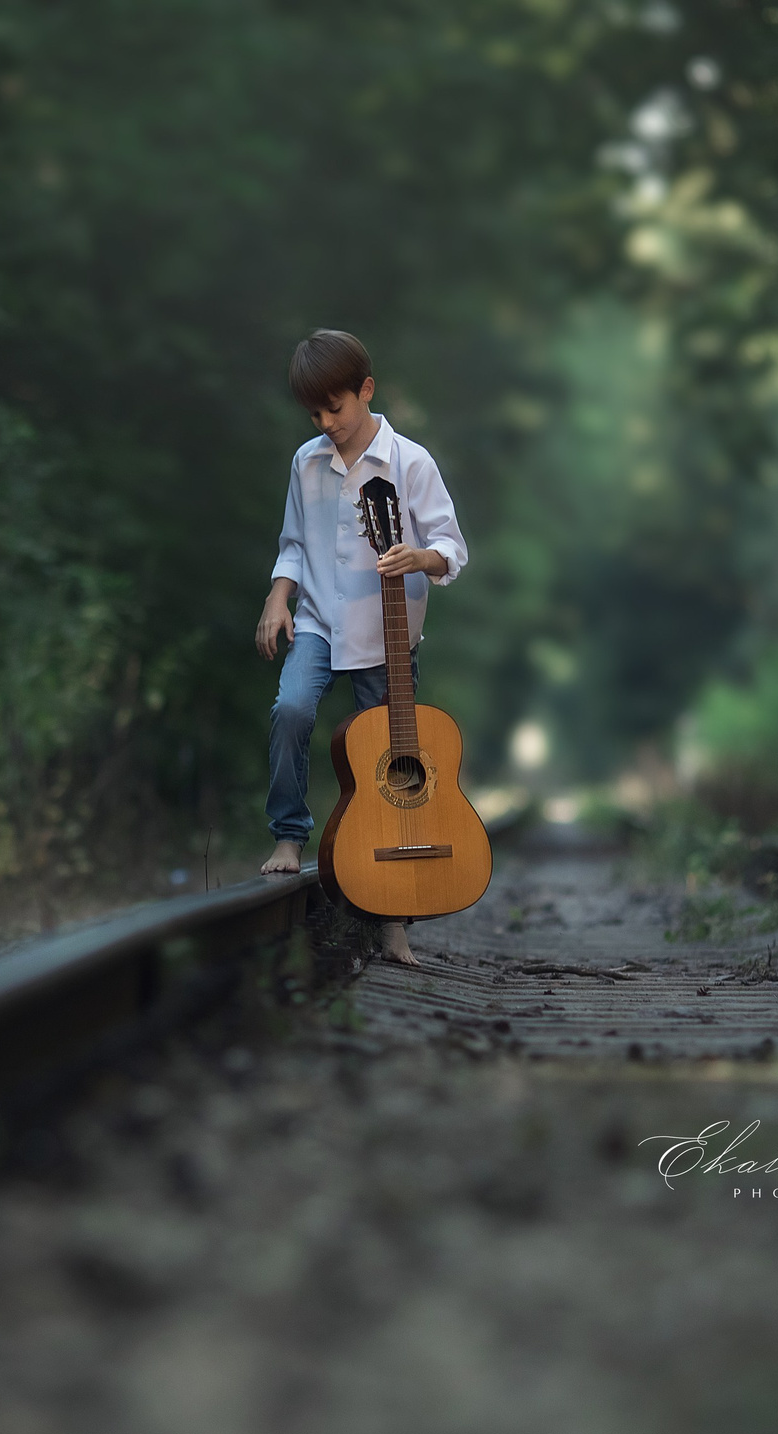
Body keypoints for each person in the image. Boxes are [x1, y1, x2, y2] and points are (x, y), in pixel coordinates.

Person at [256, 328, 467, 967]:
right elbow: (294, 543)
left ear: (366, 390)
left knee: (394, 771)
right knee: (292, 708)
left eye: (336, 408)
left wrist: (420, 557)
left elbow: (452, 547)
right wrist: (277, 599)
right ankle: (289, 835)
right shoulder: (307, 463)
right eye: (315, 414)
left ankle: (393, 919)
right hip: (320, 619)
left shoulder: (411, 463)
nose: (328, 423)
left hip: (388, 633)